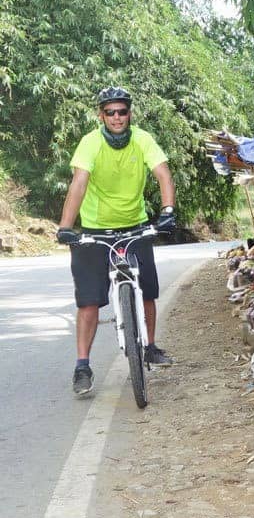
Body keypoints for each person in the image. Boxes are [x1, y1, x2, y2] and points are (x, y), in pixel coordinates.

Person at [56, 87, 176, 396]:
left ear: (129, 114)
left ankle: (149, 346)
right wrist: (66, 227)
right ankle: (82, 365)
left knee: (147, 289)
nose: (117, 117)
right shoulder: (90, 143)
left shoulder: (142, 139)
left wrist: (168, 210)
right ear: (101, 115)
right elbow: (79, 183)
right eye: (110, 112)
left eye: (122, 111)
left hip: (135, 226)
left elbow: (162, 173)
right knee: (89, 302)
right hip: (94, 231)